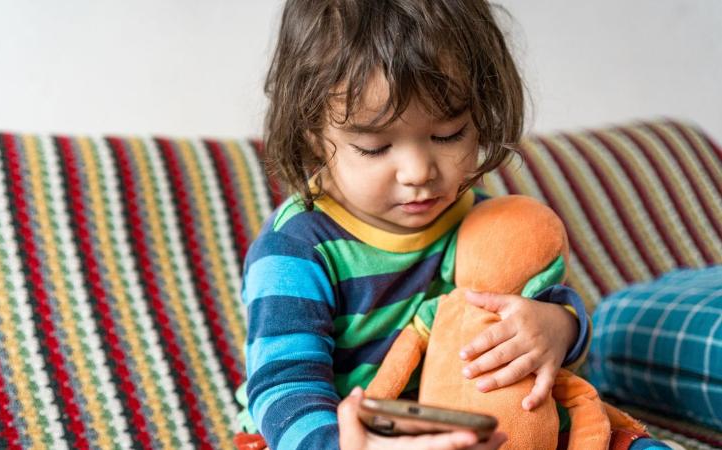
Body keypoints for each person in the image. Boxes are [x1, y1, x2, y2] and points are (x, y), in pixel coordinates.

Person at [235, 1, 591, 449]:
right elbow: (284, 387)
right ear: (312, 133)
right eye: (375, 147)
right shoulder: (297, 248)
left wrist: (559, 327)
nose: (418, 172)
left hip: (454, 424)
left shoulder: (481, 221)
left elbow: (544, 306)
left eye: (448, 135)